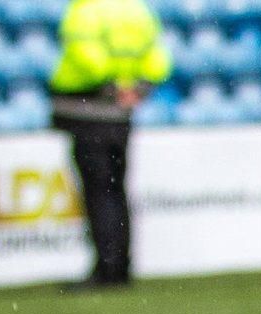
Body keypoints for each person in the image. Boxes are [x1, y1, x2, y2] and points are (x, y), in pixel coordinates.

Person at [49, 0, 169, 290]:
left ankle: (106, 269)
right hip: (121, 115)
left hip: (88, 110)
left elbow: (86, 58)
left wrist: (110, 87)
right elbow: (158, 60)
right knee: (116, 189)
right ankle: (120, 267)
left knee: (98, 191)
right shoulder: (138, 10)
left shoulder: (85, 11)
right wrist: (136, 88)